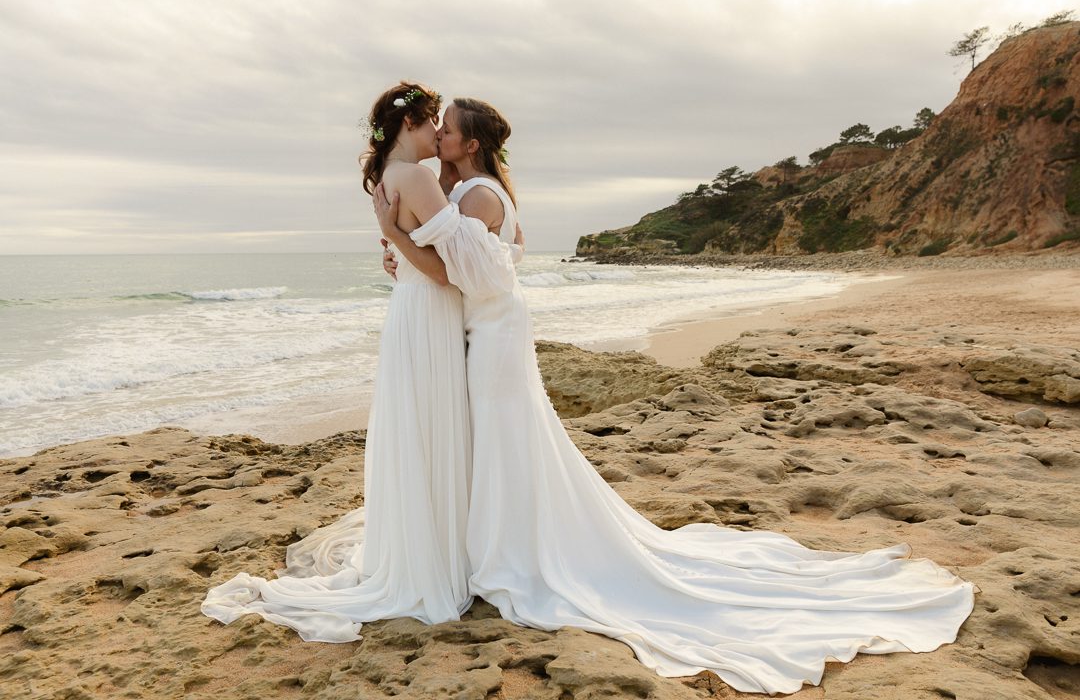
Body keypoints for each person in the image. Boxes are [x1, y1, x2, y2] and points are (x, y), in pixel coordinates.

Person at [373, 99, 977, 695]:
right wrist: (403, 246)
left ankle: (511, 554)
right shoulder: (465, 191)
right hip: (486, 330)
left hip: (495, 334)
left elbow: (474, 276)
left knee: (506, 439)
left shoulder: (477, 195)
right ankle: (495, 545)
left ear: (469, 143)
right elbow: (460, 260)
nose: (439, 134)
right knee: (503, 440)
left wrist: (393, 231)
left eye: (446, 129)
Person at [201, 81, 476, 641]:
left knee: (416, 425)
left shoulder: (387, 178)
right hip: (430, 307)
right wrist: (395, 237)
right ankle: (445, 554)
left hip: (410, 309)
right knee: (436, 423)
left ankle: (426, 541)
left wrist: (395, 244)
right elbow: (449, 271)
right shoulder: (417, 177)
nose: (438, 134)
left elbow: (415, 253)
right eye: (431, 124)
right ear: (408, 126)